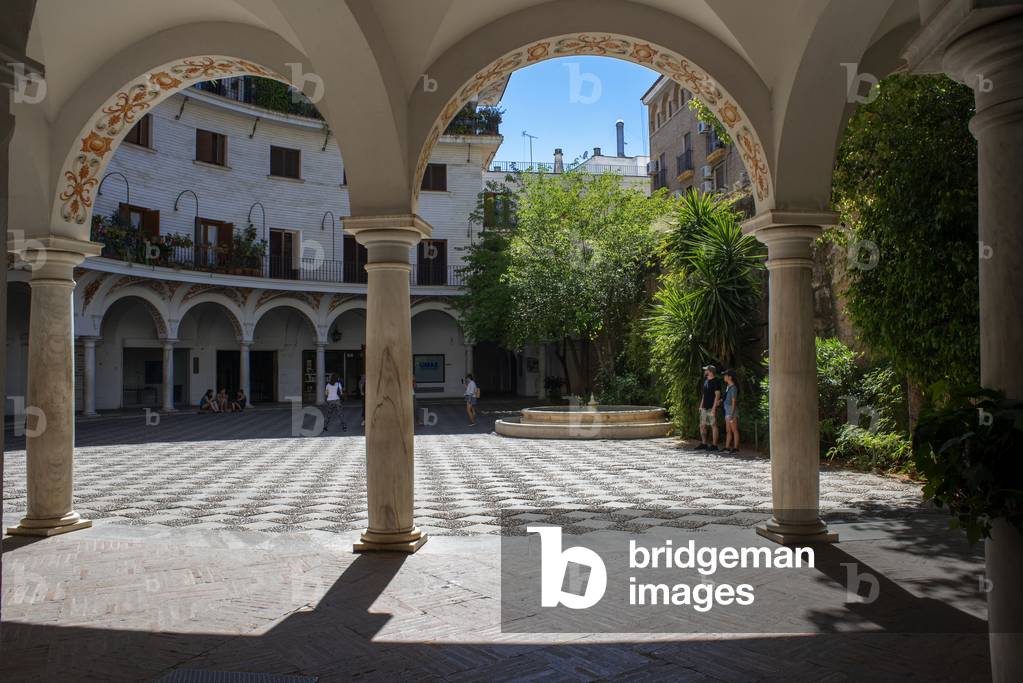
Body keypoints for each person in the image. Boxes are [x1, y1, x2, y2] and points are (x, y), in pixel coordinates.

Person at [696, 365, 722, 451]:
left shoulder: (716, 381)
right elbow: (704, 395)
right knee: (702, 425)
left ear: (710, 371)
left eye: (706, 370)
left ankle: (714, 445)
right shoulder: (706, 381)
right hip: (704, 407)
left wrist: (714, 408)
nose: (705, 371)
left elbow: (717, 395)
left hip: (711, 407)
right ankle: (704, 444)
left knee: (713, 425)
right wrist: (701, 406)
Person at [722, 370, 739, 454]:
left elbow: (733, 402)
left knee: (734, 430)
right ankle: (727, 447)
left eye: (725, 375)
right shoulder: (728, 386)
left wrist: (732, 414)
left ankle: (736, 448)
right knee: (728, 430)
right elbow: (726, 398)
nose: (724, 377)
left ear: (730, 377)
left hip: (731, 411)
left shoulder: (733, 388)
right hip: (727, 410)